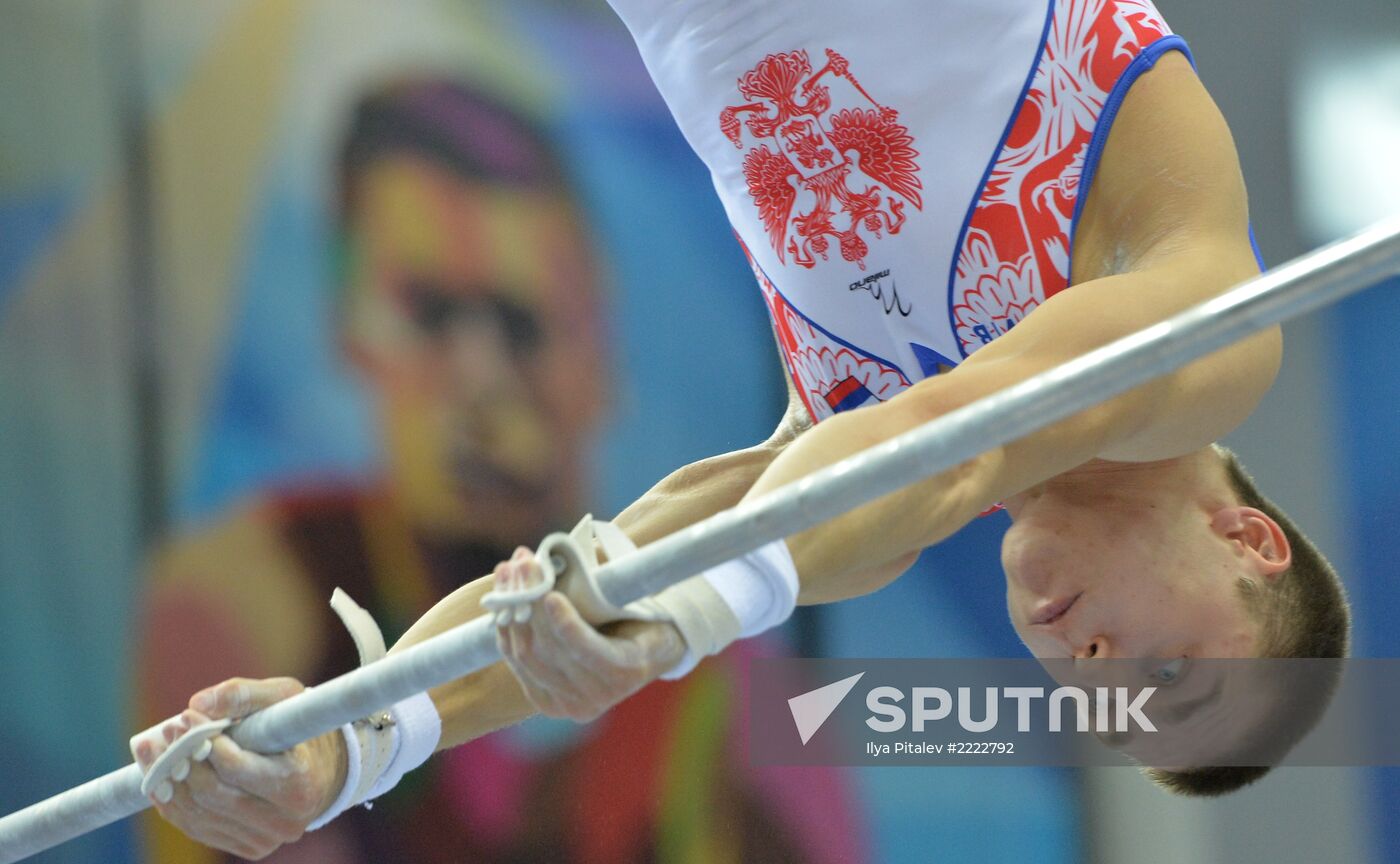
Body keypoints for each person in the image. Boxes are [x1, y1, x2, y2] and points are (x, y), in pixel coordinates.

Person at [133, 0, 1352, 858]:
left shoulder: (855, 499)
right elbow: (961, 430)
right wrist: (676, 623)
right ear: (1245, 539)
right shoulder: (1213, 337)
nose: (1093, 678)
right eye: (1166, 674)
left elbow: (613, 569)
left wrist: (345, 752)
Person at [132, 79, 863, 863]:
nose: (480, 382)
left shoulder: (751, 678)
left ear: (601, 355)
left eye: (521, 325)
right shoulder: (246, 592)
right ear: (349, 327)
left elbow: (978, 711)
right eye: (432, 312)